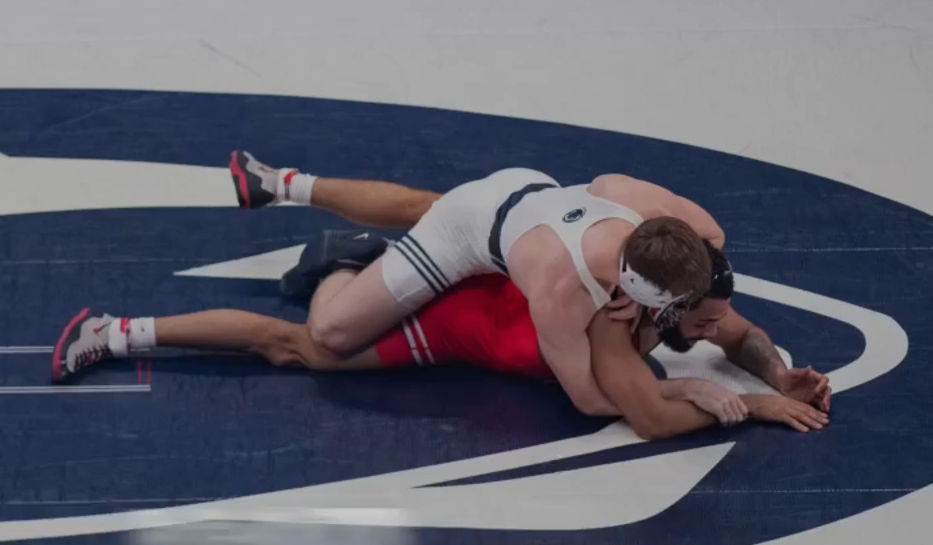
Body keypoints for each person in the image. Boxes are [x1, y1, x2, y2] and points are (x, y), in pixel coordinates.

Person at [51, 237, 830, 439]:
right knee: (299, 346)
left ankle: (355, 265)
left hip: (488, 307)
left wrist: (773, 372)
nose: (709, 332)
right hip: (454, 322)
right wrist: (738, 404)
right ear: (667, 305)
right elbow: (642, 414)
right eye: (697, 322)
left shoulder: (671, 290)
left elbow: (737, 332)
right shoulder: (610, 324)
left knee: (312, 336)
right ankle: (113, 332)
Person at [228, 151, 725, 416]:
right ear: (629, 283)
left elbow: (714, 240)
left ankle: (278, 183)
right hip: (468, 233)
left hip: (533, 191)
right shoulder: (557, 289)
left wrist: (645, 299)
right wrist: (684, 389)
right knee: (331, 335)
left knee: (414, 206)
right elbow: (590, 400)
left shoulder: (656, 213)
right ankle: (349, 258)